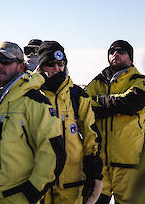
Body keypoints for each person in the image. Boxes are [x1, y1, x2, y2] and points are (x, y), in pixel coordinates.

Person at [0, 41, 66, 204]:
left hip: (19, 198)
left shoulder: (35, 102)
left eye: (5, 61)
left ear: (20, 66)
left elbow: (52, 150)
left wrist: (32, 192)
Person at [37, 41, 103, 204]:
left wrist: (93, 168)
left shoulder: (77, 95)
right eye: (50, 64)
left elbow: (90, 133)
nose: (57, 68)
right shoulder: (31, 96)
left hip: (71, 181)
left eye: (60, 63)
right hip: (37, 183)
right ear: (41, 67)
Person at [85, 40, 145, 204]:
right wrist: (113, 106)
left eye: (121, 51)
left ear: (130, 58)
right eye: (112, 51)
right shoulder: (98, 81)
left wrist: (99, 101)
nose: (115, 54)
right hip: (100, 164)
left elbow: (132, 103)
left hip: (129, 163)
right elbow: (82, 102)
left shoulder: (139, 80)